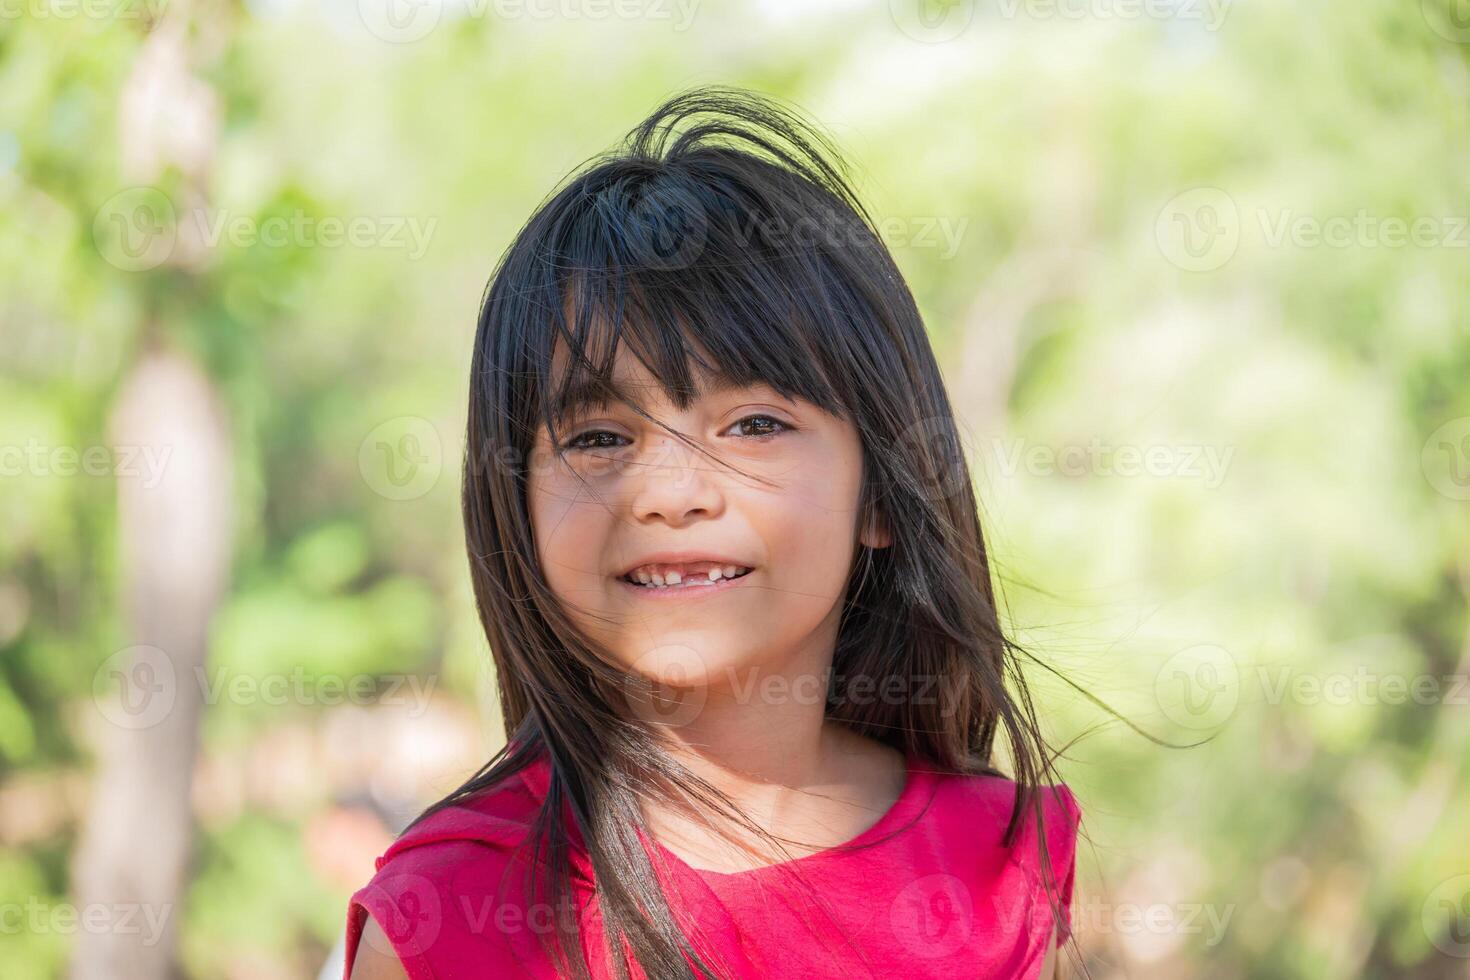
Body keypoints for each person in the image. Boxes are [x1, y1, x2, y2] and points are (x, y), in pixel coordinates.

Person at [343, 84, 1081, 980]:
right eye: (599, 438)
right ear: (517, 509)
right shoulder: (449, 914)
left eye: (756, 424)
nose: (669, 492)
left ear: (883, 494)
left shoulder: (995, 865)